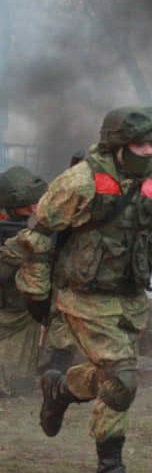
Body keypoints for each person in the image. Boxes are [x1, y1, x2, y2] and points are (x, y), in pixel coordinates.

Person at [14, 106, 152, 473]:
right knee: (122, 378)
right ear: (118, 144)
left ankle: (61, 389)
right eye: (140, 143)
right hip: (82, 296)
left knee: (114, 377)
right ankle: (109, 468)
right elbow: (38, 237)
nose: (148, 150)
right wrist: (36, 291)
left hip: (128, 297)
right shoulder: (79, 183)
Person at [0, 166, 49, 395]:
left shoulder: (48, 221)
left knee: (18, 386)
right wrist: (14, 252)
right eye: (25, 205)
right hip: (6, 311)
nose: (33, 209)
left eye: (36, 202)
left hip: (24, 314)